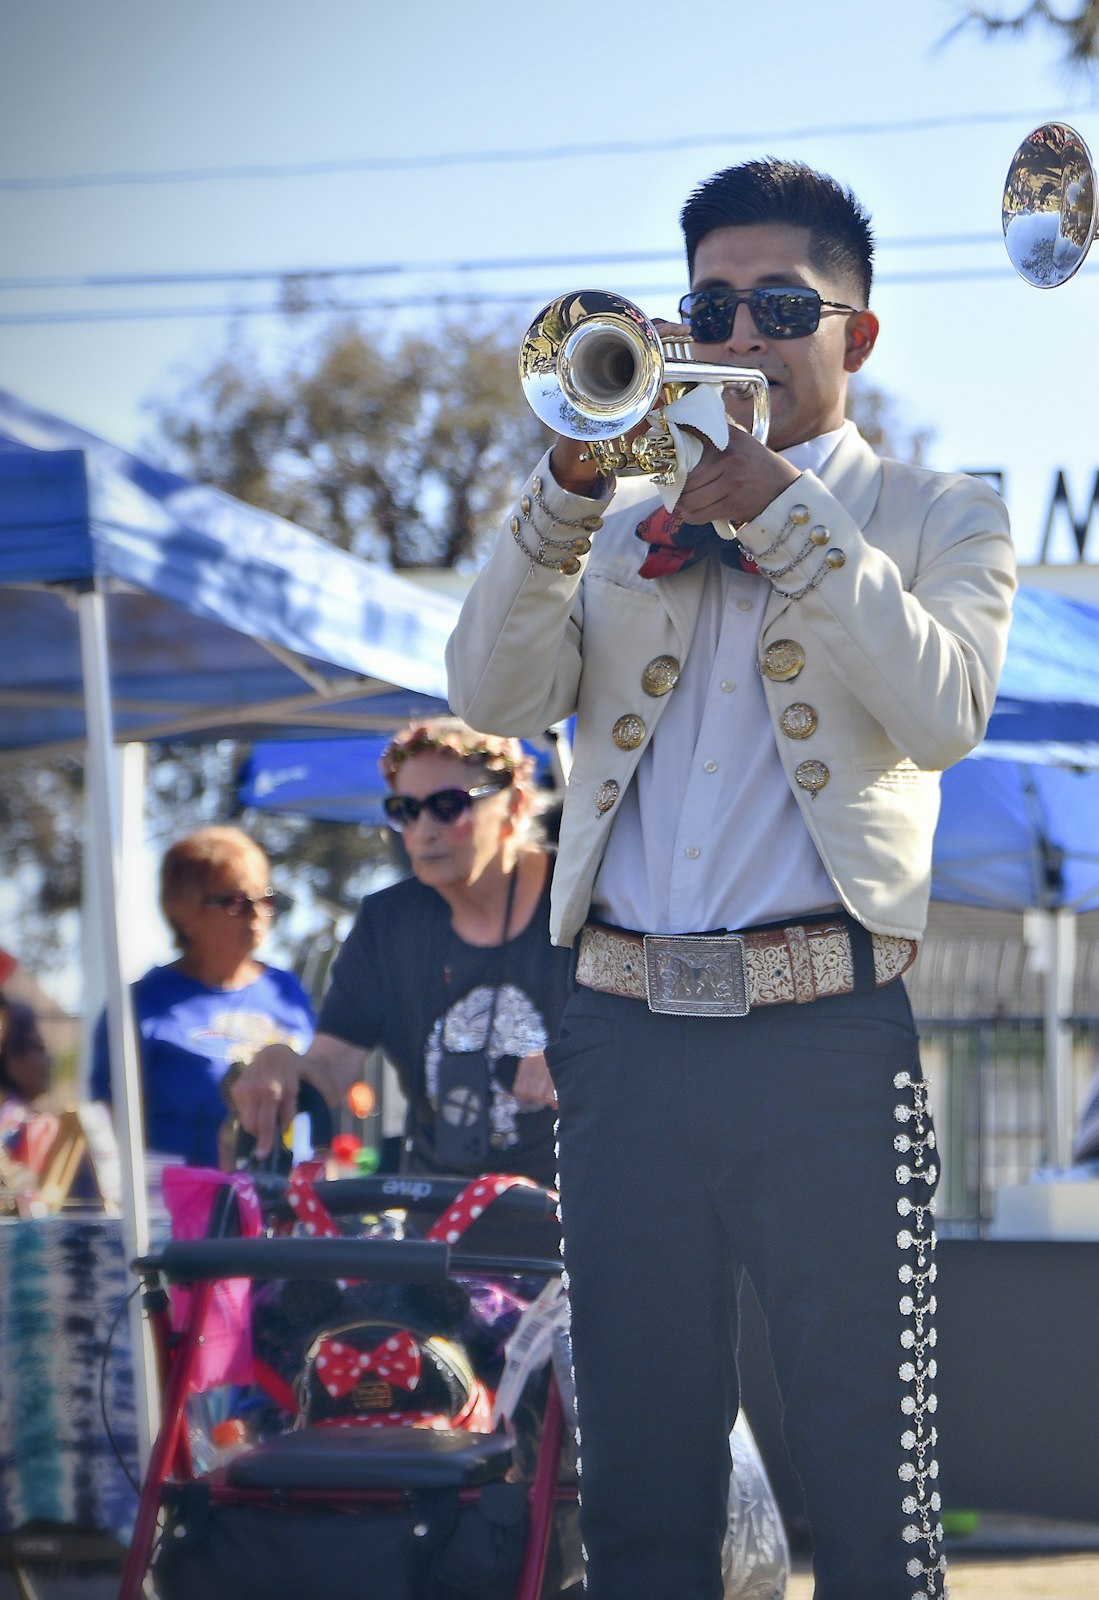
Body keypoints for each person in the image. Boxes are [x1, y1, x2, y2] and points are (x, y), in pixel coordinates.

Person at [447, 159, 1014, 1600]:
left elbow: (944, 710)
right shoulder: (622, 520)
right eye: (710, 305)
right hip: (624, 1038)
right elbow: (495, 693)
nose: (741, 337)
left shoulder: (942, 514)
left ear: (856, 336)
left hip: (825, 1035)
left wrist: (785, 515)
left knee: (870, 1476)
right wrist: (569, 488)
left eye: (779, 305)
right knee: (639, 1476)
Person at [232, 719, 568, 1184]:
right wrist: (282, 1062)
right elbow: (331, 1069)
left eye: (447, 806)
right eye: (404, 809)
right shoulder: (387, 924)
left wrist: (584, 1057)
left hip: (573, 1230)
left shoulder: (583, 902)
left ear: (515, 805)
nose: (423, 829)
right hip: (439, 1229)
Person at [92, 826, 315, 1168]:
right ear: (185, 912)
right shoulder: (140, 1006)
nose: (257, 914)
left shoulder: (286, 990)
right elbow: (105, 1132)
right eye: (236, 902)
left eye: (265, 899)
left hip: (287, 1204)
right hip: (181, 1210)